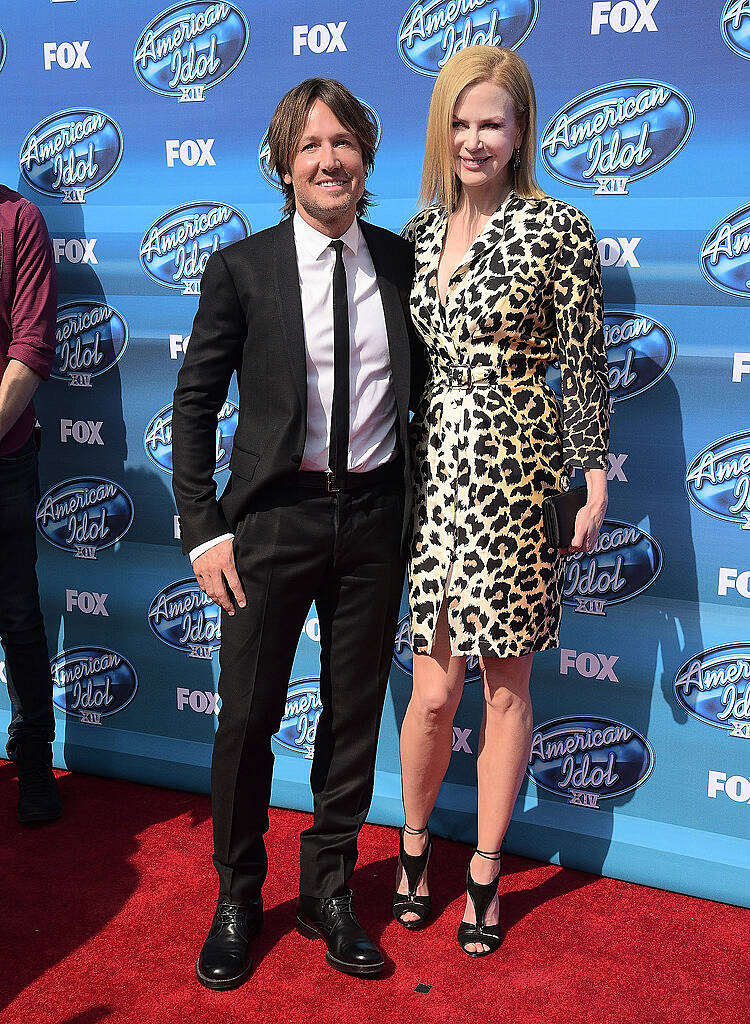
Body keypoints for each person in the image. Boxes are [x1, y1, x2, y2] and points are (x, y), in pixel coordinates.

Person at [171, 78, 425, 988]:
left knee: (352, 717)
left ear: (367, 156)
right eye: (310, 145)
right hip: (273, 520)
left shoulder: (400, 264)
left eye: (344, 143)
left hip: (373, 520)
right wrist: (203, 529)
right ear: (284, 164)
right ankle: (238, 895)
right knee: (246, 718)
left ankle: (329, 896)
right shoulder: (240, 268)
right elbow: (194, 403)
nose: (330, 160)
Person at [393, 46, 609, 956]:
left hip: (516, 470)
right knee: (434, 691)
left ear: (522, 132)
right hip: (436, 472)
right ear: (444, 129)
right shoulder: (415, 230)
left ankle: (484, 866)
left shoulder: (558, 229)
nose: (475, 139)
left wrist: (589, 475)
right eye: (462, 121)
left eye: (494, 122)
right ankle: (411, 849)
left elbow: (586, 363)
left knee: (505, 687)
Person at [0, 184, 60, 824]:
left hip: (5, 453)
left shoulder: (19, 220)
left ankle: (34, 762)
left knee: (16, 611)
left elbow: (31, 346)